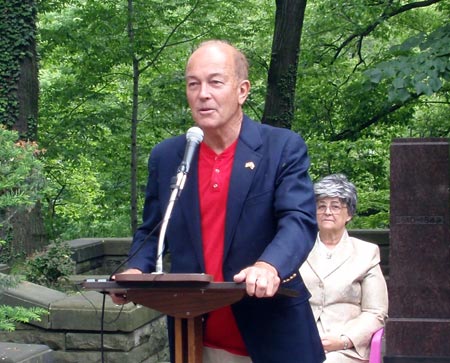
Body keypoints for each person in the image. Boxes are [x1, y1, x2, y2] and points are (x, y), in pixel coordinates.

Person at [111, 39, 325, 363]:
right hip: (196, 338)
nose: (203, 94)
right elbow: (154, 229)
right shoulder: (169, 156)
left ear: (242, 90)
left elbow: (298, 220)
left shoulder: (281, 147)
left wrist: (269, 265)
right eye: (193, 84)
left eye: (215, 82)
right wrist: (135, 271)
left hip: (271, 336)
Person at [299, 173, 388, 363]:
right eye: (321, 206)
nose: (327, 211)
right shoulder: (297, 248)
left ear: (349, 214)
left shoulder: (366, 253)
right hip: (299, 341)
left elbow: (375, 312)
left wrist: (344, 340)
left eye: (336, 206)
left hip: (345, 348)